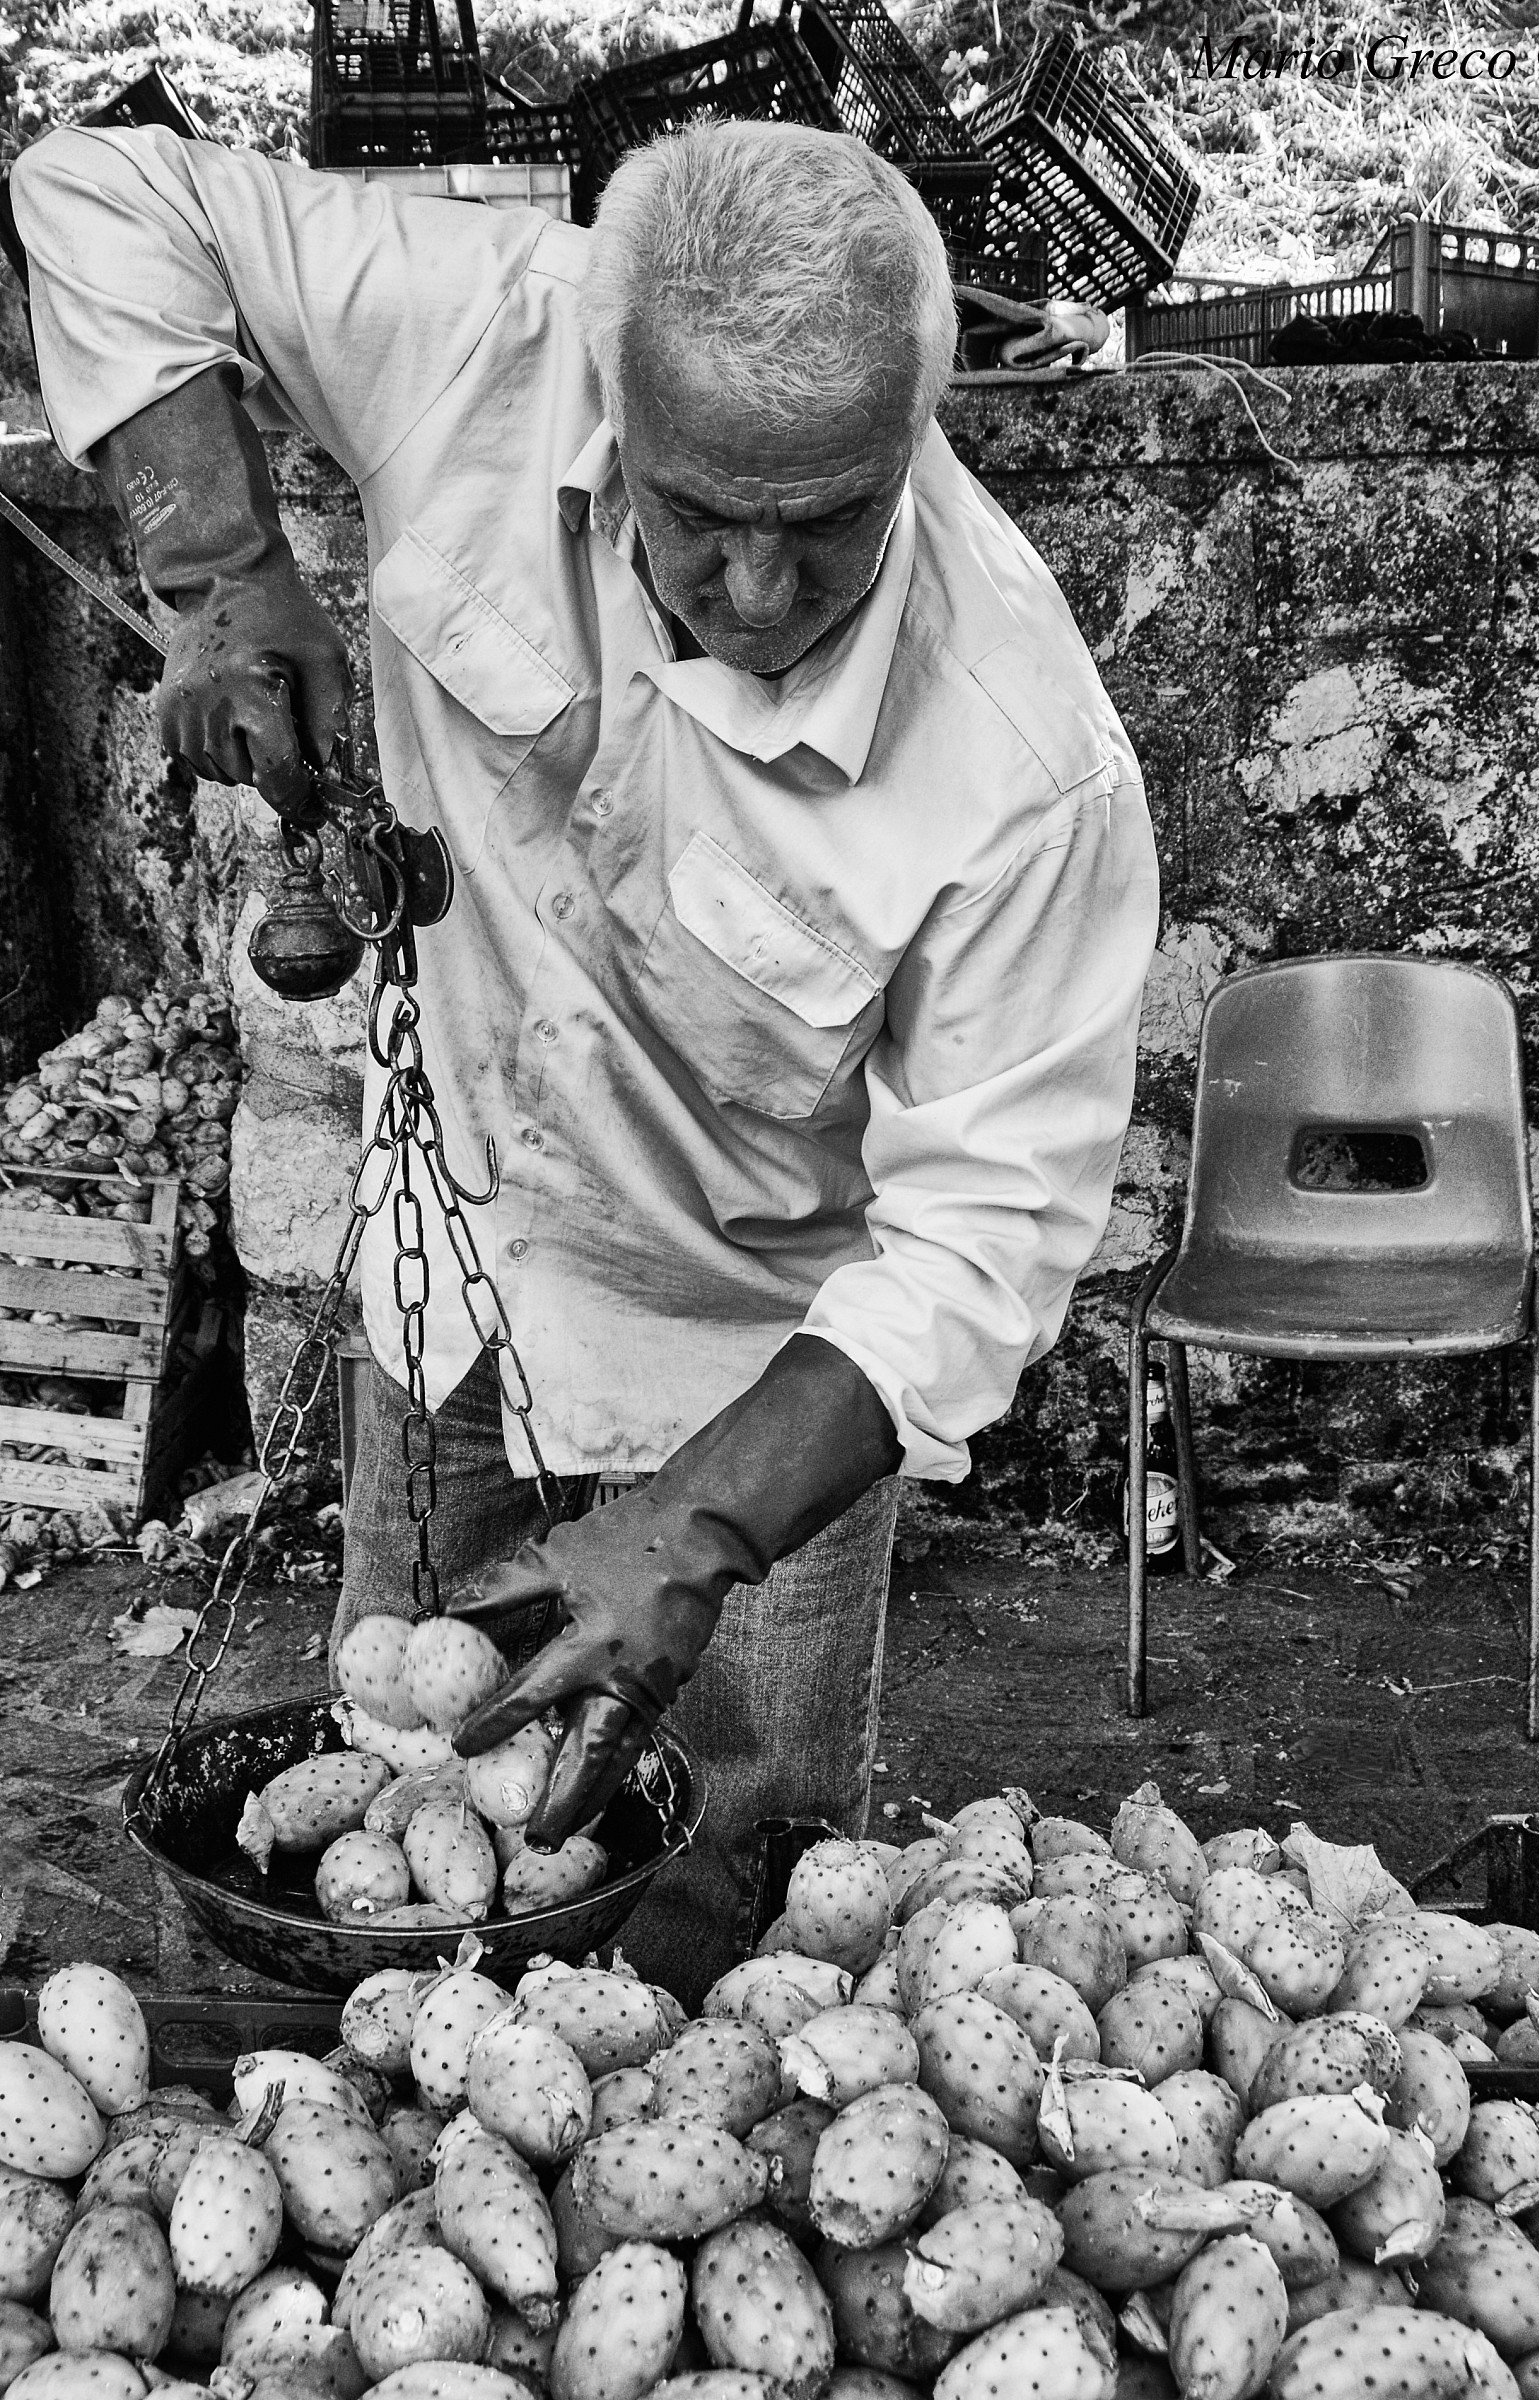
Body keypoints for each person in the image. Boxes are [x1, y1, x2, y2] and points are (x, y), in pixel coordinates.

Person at [12, 117, 1159, 1999]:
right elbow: (98, 187)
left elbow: (988, 1233)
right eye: (703, 515)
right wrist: (220, 572)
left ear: (918, 444)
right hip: (454, 1287)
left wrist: (698, 1529)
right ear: (606, 388)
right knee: (393, 1865)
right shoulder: (483, 332)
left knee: (718, 1936)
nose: (763, 594)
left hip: (750, 1373)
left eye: (830, 523)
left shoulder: (1022, 767)